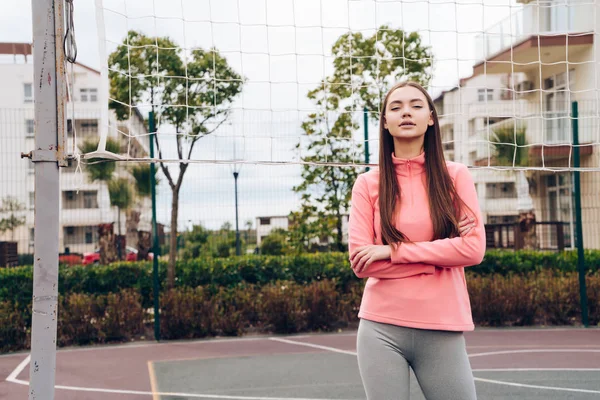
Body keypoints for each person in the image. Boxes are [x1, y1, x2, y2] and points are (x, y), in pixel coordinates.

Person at [348, 81, 486, 400]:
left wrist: (391, 251)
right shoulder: (366, 184)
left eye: (415, 105)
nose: (406, 112)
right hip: (380, 328)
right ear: (385, 122)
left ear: (431, 118)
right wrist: (436, 261)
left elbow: (473, 249)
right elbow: (361, 262)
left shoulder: (455, 177)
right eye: (395, 107)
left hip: (442, 325)